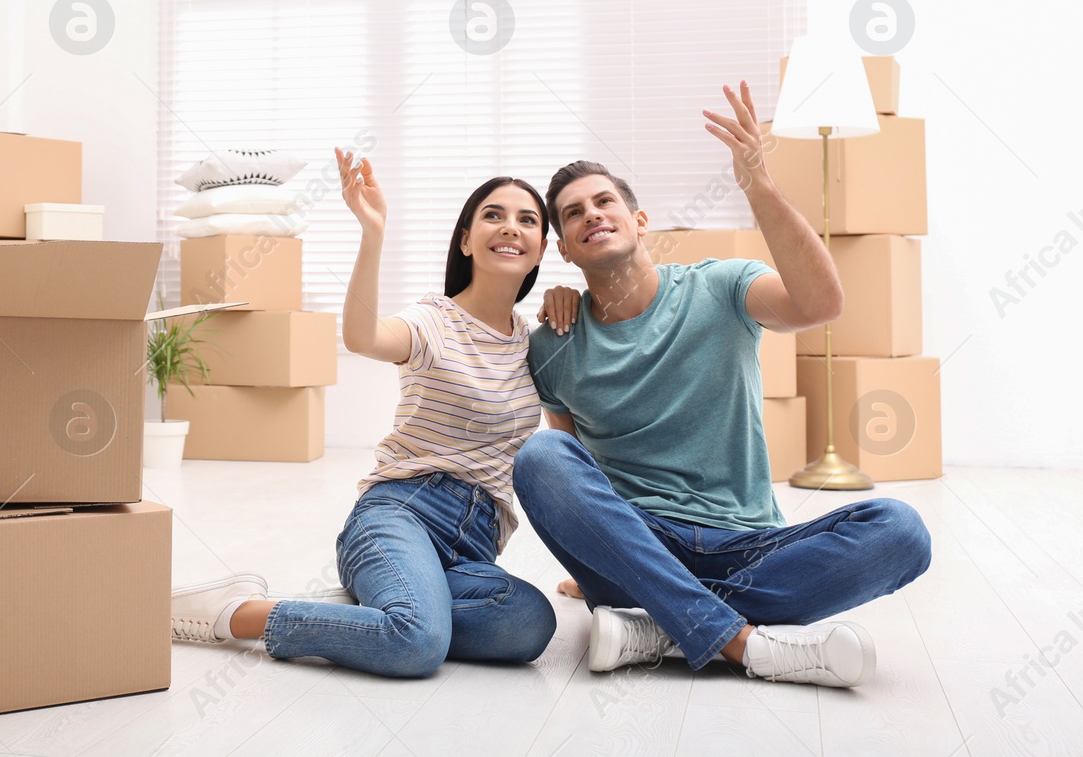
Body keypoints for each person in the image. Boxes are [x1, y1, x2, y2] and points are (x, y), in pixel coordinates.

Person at [514, 81, 932, 688]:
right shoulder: (553, 343)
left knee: (902, 531)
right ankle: (733, 635)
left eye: (603, 202)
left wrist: (757, 185)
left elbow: (821, 302)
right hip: (640, 542)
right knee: (542, 454)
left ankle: (663, 623)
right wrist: (603, 549)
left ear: (638, 220)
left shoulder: (721, 287)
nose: (591, 215)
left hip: (750, 544)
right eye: (573, 214)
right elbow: (571, 469)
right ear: (565, 251)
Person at [167, 151, 557, 677]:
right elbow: (363, 336)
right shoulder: (433, 320)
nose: (510, 227)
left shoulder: (533, 345)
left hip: (476, 544)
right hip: (403, 512)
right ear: (466, 240)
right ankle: (236, 613)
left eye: (526, 220)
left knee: (529, 624)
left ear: (539, 251)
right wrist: (373, 233)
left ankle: (387, 604)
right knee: (416, 645)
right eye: (493, 214)